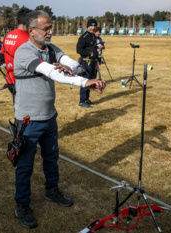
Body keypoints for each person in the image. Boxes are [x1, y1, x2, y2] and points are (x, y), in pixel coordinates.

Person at [13, 10, 106, 228]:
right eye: (46, 28)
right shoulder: (23, 52)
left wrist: (72, 68)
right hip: (28, 120)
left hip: (49, 117)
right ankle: (22, 205)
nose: (50, 32)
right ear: (31, 30)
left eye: (50, 27)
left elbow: (73, 63)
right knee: (25, 165)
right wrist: (84, 82)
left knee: (51, 158)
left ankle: (52, 191)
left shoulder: (51, 49)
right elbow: (51, 72)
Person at [1, 7, 32, 100]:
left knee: (18, 107)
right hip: (24, 80)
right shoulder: (28, 38)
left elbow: (2, 55)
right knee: (27, 110)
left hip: (10, 80)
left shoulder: (8, 35)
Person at [76, 18, 100, 108]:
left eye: (94, 26)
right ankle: (82, 102)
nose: (93, 27)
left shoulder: (93, 36)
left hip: (93, 63)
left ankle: (86, 99)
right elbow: (79, 50)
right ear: (88, 26)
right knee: (85, 81)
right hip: (86, 63)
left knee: (91, 81)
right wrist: (89, 53)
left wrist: (97, 61)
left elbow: (94, 49)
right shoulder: (84, 37)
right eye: (91, 26)